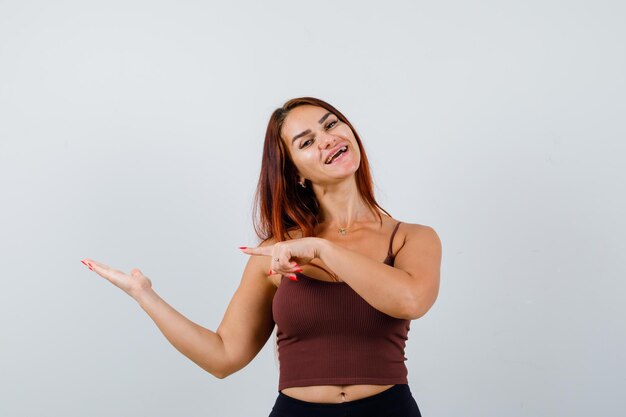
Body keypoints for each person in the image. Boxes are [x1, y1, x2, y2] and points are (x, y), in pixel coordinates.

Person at [81, 97, 442, 417]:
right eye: (307, 142)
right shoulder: (274, 251)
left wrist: (322, 249)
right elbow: (223, 357)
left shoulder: (411, 237)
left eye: (330, 124)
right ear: (295, 172)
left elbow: (410, 300)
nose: (327, 139)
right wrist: (146, 296)